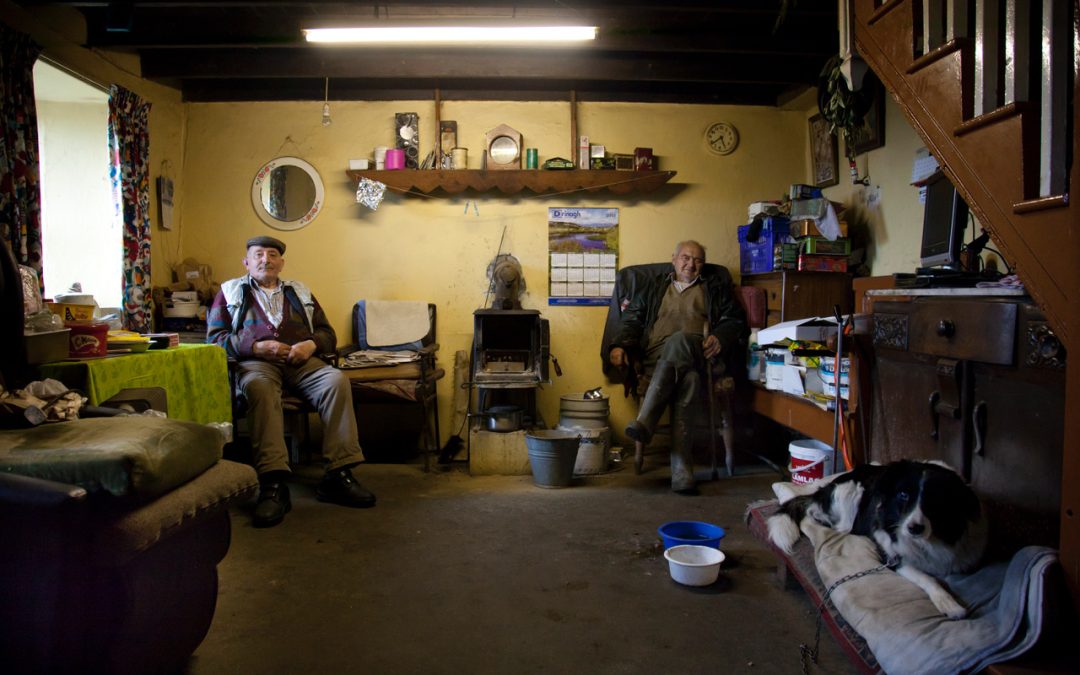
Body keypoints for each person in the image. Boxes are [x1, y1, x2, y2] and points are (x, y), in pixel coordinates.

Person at [208, 235, 375, 527]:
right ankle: (273, 483)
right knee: (259, 388)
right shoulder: (229, 292)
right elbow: (215, 340)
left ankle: (338, 474)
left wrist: (311, 345)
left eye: (273, 255)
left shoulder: (300, 291)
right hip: (256, 363)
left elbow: (327, 334)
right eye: (259, 254)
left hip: (301, 362)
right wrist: (255, 347)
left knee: (335, 381)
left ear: (281, 263)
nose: (266, 260)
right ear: (246, 262)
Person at [607, 240, 747, 494]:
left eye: (698, 260)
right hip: (657, 358)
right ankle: (682, 471)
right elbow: (631, 320)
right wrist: (619, 345)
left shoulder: (714, 287)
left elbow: (735, 320)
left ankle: (646, 421)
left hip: (699, 354)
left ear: (703, 265)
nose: (690, 264)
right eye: (685, 258)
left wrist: (721, 336)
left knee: (679, 340)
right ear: (673, 259)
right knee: (689, 380)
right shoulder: (653, 287)